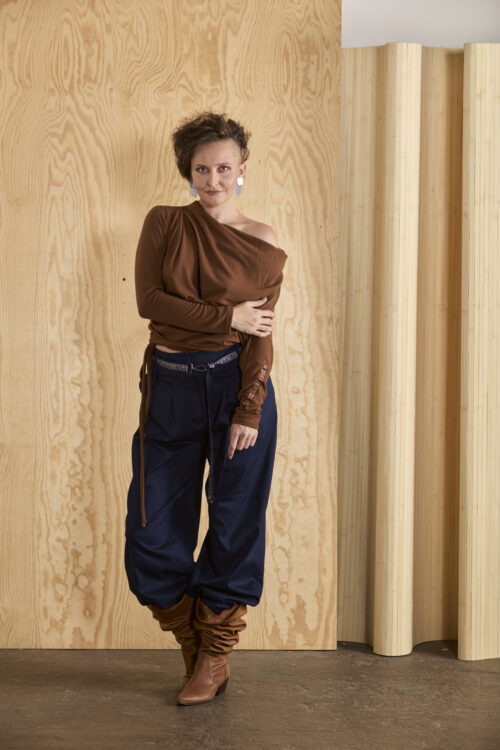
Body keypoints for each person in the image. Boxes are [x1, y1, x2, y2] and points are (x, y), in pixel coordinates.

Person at [124, 111, 288, 706]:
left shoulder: (262, 240)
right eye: (201, 169)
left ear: (242, 170)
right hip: (169, 388)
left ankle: (214, 655)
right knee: (151, 534)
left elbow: (260, 335)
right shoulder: (165, 223)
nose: (213, 179)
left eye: (223, 168)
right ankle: (192, 639)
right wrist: (227, 316)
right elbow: (150, 302)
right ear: (187, 173)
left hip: (234, 388)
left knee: (235, 521)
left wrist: (250, 409)